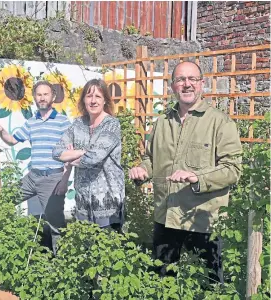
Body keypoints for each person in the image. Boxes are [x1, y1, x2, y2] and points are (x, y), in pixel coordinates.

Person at [129, 61, 242, 283]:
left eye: (192, 79)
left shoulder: (220, 123)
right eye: (180, 80)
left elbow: (233, 170)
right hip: (166, 218)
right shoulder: (161, 123)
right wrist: (143, 170)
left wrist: (197, 178)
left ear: (202, 84)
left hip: (202, 222)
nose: (187, 84)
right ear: (173, 86)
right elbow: (150, 159)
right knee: (163, 282)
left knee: (208, 287)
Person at [0, 81, 72, 254]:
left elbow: (70, 154)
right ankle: (10, 248)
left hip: (53, 179)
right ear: (34, 97)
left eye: (46, 94)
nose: (42, 98)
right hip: (32, 177)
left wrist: (65, 180)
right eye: (39, 95)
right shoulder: (31, 122)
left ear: (53, 97)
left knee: (56, 225)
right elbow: (12, 140)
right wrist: (1, 129)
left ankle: (63, 264)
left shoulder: (63, 122)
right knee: (5, 200)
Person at [52, 79, 124, 232]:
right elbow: (56, 152)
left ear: (105, 100)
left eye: (98, 96)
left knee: (108, 251)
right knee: (85, 251)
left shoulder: (111, 124)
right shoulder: (78, 124)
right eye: (89, 96)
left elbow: (93, 158)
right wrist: (81, 152)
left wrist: (71, 157)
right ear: (83, 99)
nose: (93, 101)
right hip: (83, 203)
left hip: (108, 203)